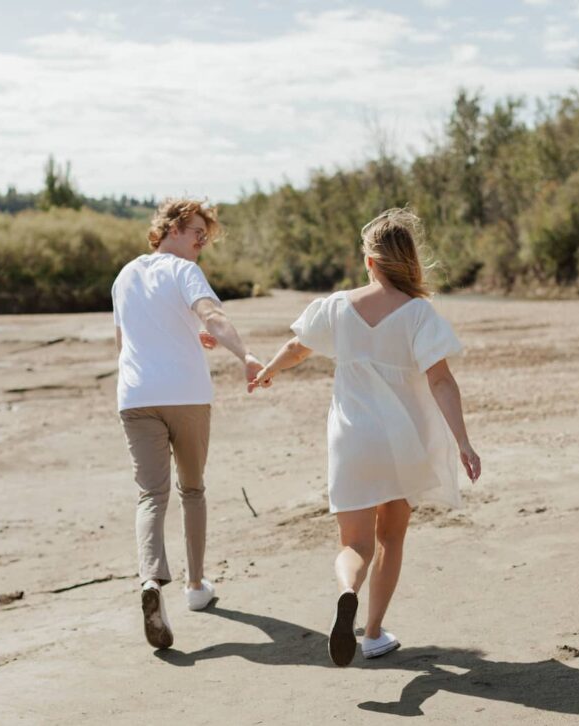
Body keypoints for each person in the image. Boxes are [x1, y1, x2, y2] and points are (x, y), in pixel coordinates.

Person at [248, 208, 481, 666]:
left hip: (351, 439)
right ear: (407, 261)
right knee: (390, 539)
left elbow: (298, 348)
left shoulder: (336, 306)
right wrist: (463, 441)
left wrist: (269, 370)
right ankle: (372, 634)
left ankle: (346, 592)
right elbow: (441, 382)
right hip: (401, 441)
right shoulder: (418, 313)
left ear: (370, 262)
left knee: (353, 544)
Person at [112, 198, 264, 650]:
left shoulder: (124, 275)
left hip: (136, 398)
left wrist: (185, 336)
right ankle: (196, 587)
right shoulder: (183, 271)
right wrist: (247, 355)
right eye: (198, 231)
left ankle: (150, 583)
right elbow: (212, 315)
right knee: (191, 489)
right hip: (187, 396)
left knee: (150, 495)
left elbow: (126, 341)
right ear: (173, 227)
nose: (202, 241)